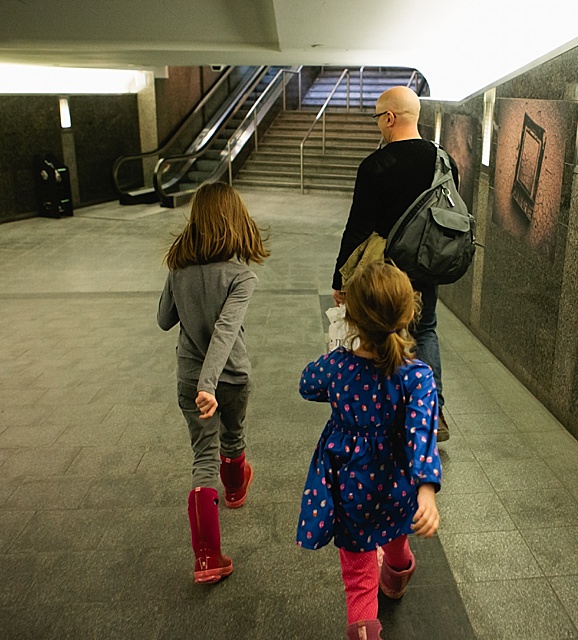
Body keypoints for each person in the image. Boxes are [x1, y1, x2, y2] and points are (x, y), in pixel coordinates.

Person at [297, 261, 443, 640]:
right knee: (397, 532)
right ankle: (396, 576)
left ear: (351, 318)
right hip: (396, 485)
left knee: (360, 578)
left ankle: (364, 629)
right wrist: (425, 490)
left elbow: (307, 384)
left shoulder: (336, 368)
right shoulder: (417, 376)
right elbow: (421, 432)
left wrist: (338, 355)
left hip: (350, 487)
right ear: (410, 313)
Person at [331, 85, 459, 442]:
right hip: (425, 266)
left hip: (384, 270)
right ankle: (432, 413)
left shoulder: (375, 165)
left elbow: (358, 226)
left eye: (377, 118)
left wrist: (339, 278)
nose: (378, 125)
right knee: (426, 328)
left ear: (389, 117)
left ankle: (388, 411)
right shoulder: (443, 159)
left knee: (383, 332)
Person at [157, 182, 269, 584]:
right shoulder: (241, 277)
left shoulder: (179, 270)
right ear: (234, 221)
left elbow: (164, 320)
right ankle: (235, 489)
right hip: (230, 377)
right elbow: (225, 330)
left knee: (203, 456)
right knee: (233, 438)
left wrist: (178, 283)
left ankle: (206, 558)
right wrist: (212, 383)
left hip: (190, 379)